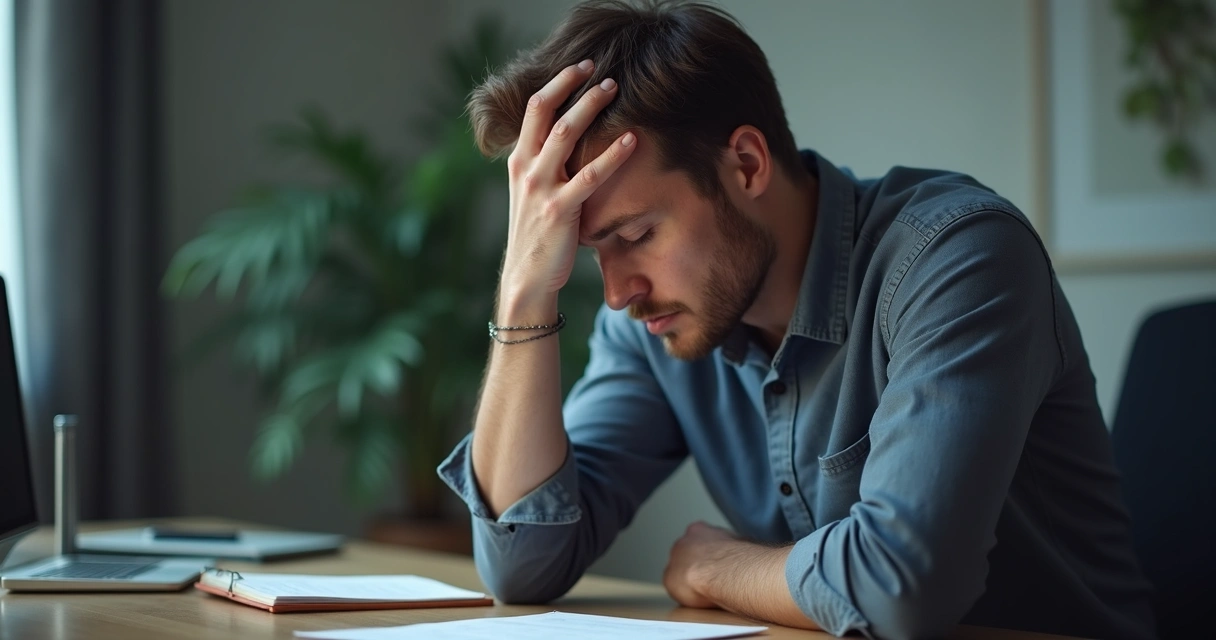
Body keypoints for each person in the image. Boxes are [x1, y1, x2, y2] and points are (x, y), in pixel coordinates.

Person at [437, 1, 1156, 638]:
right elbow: (522, 562)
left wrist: (721, 568)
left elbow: (903, 589)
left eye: (633, 236)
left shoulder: (958, 260)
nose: (619, 292)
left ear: (745, 164)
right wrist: (525, 290)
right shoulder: (650, 319)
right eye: (588, 250)